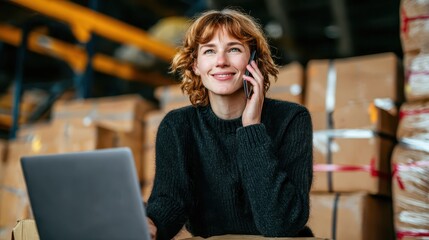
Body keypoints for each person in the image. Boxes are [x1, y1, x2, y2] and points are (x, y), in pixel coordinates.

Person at [146, 8, 314, 240]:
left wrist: (252, 128)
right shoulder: (177, 126)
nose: (221, 61)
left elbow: (280, 225)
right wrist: (151, 223)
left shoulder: (292, 119)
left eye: (234, 49)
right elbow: (171, 200)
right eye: (209, 51)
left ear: (253, 61)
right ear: (195, 64)